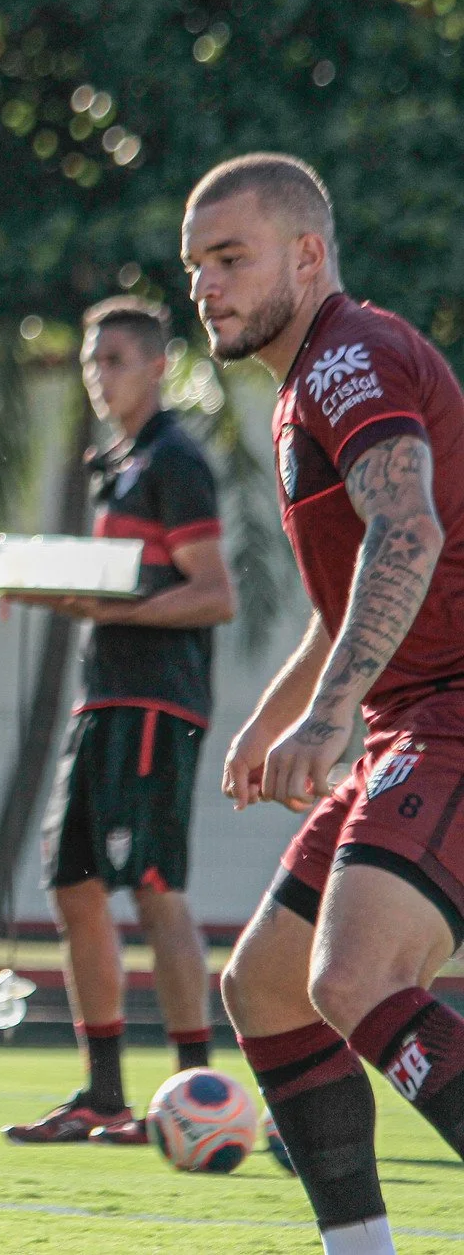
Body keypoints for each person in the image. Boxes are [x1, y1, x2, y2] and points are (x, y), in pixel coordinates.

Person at [198, 154, 464, 1255]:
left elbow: (409, 533)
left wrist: (325, 722)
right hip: (417, 717)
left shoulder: (347, 356)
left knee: (351, 977)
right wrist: (276, 712)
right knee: (263, 987)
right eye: (192, 266)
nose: (204, 286)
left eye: (229, 257)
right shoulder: (305, 380)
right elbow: (348, 582)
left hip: (452, 709)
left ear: (305, 256)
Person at [3, 298, 235, 1144]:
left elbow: (215, 594)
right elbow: (117, 589)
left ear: (158, 367)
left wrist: (101, 608)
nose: (100, 377)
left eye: (116, 361)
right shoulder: (121, 461)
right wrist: (45, 592)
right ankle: (103, 1095)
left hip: (155, 701)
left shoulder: (176, 460)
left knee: (154, 886)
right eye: (93, 362)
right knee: (72, 886)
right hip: (99, 699)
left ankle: (194, 1090)